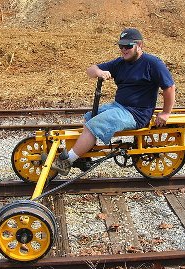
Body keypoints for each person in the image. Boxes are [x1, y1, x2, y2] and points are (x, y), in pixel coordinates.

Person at [53, 28, 175, 176]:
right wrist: (99, 72)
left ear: (140, 45)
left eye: (128, 46)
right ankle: (83, 157)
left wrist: (166, 113)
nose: (124, 50)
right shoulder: (120, 62)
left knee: (94, 125)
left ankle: (66, 162)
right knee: (89, 117)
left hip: (137, 113)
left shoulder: (152, 63)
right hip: (119, 107)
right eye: (121, 46)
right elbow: (91, 69)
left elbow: (169, 87)